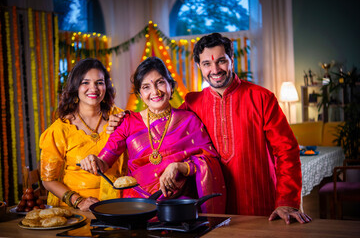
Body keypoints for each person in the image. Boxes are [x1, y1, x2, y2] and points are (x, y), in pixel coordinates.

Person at [107, 33, 312, 224]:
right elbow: (164, 126)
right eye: (207, 63)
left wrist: (286, 200)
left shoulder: (261, 98)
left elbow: (287, 150)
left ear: (232, 60)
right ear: (199, 66)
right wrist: (122, 119)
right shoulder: (192, 103)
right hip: (212, 205)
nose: (215, 70)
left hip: (258, 201)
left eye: (221, 61)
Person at [80, 57, 226, 214]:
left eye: (160, 82)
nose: (155, 92)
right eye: (146, 87)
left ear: (170, 85)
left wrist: (179, 166)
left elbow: (210, 160)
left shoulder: (188, 120)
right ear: (140, 94)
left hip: (179, 207)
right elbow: (104, 161)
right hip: (137, 206)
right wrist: (93, 161)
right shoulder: (127, 122)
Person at [40, 58, 126, 211]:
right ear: (75, 87)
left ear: (106, 86)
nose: (93, 88)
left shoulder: (120, 118)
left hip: (118, 205)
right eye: (85, 82)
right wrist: (78, 201)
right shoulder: (60, 129)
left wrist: (125, 125)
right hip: (77, 210)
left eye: (99, 82)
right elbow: (49, 180)